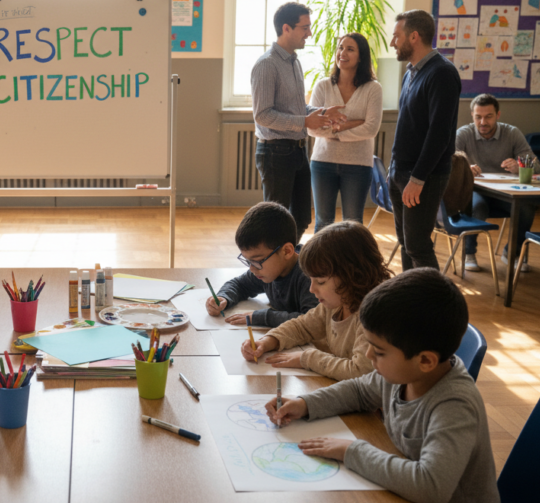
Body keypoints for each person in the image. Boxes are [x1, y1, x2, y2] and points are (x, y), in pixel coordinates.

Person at [265, 268, 499, 503]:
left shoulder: (455, 406)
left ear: (426, 360)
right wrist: (304, 404)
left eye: (378, 351)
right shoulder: (403, 373)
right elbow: (358, 391)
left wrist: (351, 451)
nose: (368, 355)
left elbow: (430, 486)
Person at [242, 222, 390, 380]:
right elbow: (303, 326)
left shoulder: (374, 316)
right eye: (310, 280)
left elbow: (360, 371)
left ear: (352, 275)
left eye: (320, 282)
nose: (312, 289)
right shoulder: (337, 301)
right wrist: (268, 341)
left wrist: (307, 358)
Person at [250, 2, 346, 242]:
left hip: (298, 150)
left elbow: (296, 108)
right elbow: (263, 115)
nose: (309, 33)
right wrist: (305, 121)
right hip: (275, 152)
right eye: (305, 27)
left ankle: (285, 263)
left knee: (301, 218)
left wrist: (321, 113)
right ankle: (272, 272)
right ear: (286, 28)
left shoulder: (294, 62)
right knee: (275, 223)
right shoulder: (266, 64)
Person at [387, 10, 461, 270]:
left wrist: (417, 179)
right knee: (406, 242)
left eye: (397, 36)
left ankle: (433, 305)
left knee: (418, 245)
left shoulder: (442, 73)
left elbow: (439, 134)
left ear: (414, 36)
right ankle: (412, 299)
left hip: (423, 176)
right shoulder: (411, 72)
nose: (392, 42)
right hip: (400, 171)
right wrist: (394, 171)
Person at [307, 34, 383, 232]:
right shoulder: (323, 86)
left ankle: (351, 264)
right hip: (323, 162)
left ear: (361, 56)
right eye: (340, 47)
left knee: (353, 224)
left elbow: (371, 128)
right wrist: (351, 124)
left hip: (358, 165)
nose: (342, 53)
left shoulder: (373, 89)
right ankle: (321, 264)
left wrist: (333, 129)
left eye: (350, 49)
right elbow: (313, 127)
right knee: (323, 223)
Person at [456, 93, 539, 273]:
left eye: (488, 116)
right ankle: (469, 253)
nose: (483, 122)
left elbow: (536, 165)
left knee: (526, 206)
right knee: (476, 207)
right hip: (476, 191)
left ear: (498, 115)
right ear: (472, 115)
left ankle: (512, 253)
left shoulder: (512, 133)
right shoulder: (463, 134)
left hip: (505, 193)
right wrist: (464, 168)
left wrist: (520, 167)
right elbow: (448, 164)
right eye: (478, 117)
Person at [205, 202, 318, 327]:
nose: (252, 268)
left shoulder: (311, 275)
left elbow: (312, 320)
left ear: (287, 251)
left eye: (257, 260)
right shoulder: (265, 270)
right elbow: (239, 284)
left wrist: (260, 317)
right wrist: (224, 298)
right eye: (248, 261)